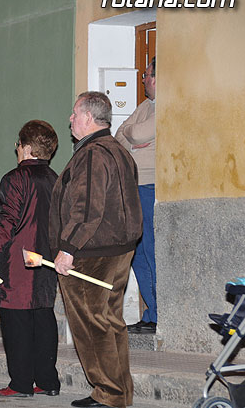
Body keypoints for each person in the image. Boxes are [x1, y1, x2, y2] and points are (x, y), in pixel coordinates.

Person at [50, 91, 142, 408]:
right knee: (110, 319)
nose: (70, 119)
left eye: (74, 114)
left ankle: (108, 392)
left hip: (91, 252)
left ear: (89, 117)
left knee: (91, 322)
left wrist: (68, 248)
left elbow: (87, 208)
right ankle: (119, 391)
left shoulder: (92, 154)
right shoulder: (119, 150)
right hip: (118, 249)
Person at [0, 121, 61, 398]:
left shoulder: (15, 179)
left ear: (27, 148)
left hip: (18, 263)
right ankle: (47, 381)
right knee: (44, 317)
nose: (17, 149)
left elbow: (6, 223)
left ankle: (21, 383)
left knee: (17, 321)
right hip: (44, 261)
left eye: (18, 145)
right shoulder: (55, 178)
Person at [115, 56, 157, 334]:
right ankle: (151, 312)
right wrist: (134, 139)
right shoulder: (145, 106)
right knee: (138, 254)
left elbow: (138, 131)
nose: (143, 79)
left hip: (151, 186)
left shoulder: (168, 106)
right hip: (133, 186)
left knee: (152, 252)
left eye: (148, 75)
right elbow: (120, 134)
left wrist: (133, 137)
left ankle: (161, 312)